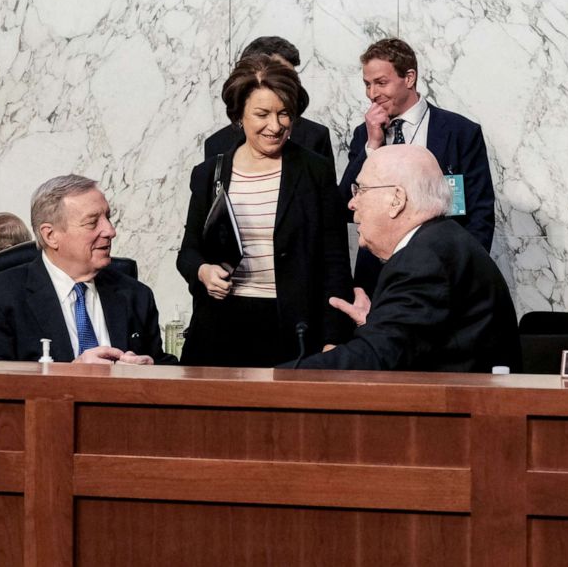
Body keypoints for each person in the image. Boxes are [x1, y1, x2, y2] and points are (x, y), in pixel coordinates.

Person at [178, 55, 353, 367]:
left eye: (284, 114)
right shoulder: (209, 174)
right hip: (220, 328)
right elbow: (189, 252)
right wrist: (203, 272)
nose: (275, 126)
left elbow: (335, 263)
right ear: (239, 116)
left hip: (294, 330)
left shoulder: (316, 171)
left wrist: (333, 340)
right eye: (262, 114)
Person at [290, 145, 519, 372]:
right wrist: (378, 324)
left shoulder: (425, 260)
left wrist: (279, 377)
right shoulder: (439, 242)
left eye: (361, 190)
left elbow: (377, 357)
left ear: (396, 199)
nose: (351, 203)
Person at [339, 38, 496, 295]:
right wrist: (372, 145)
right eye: (367, 84)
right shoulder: (364, 134)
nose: (372, 94)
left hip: (444, 271)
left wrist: (465, 271)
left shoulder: (460, 132)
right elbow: (346, 206)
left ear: (409, 78)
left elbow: (480, 213)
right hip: (378, 277)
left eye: (381, 82)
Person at [0, 175, 176, 365]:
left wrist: (150, 369)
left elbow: (163, 366)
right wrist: (70, 377)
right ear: (51, 235)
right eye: (93, 222)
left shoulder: (136, 295)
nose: (110, 231)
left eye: (108, 218)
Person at [204, 36, 336, 171]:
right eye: (277, 76)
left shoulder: (316, 136)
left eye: (291, 78)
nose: (287, 85)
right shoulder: (217, 145)